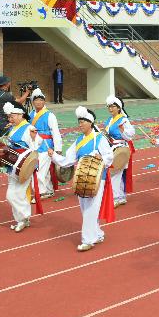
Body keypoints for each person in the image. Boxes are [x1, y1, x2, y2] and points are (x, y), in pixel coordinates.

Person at [49, 106, 115, 251]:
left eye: (83, 122)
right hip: (81, 178)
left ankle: (88, 240)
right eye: (79, 122)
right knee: (85, 208)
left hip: (97, 178)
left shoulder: (99, 138)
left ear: (90, 123)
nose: (80, 124)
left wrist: (101, 158)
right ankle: (97, 233)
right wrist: (53, 155)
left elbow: (110, 157)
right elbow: (68, 160)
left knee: (91, 208)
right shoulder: (78, 140)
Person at [3, 102, 40, 232]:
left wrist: (34, 139)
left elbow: (35, 148)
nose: (10, 119)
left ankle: (24, 217)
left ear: (21, 114)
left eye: (12, 116)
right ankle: (21, 220)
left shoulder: (29, 128)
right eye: (9, 117)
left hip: (24, 167)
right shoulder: (14, 127)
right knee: (16, 194)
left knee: (13, 195)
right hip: (12, 165)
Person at [29, 89, 62, 200]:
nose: (38, 102)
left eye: (41, 100)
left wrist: (58, 149)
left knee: (39, 170)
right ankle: (48, 190)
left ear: (44, 101)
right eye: (36, 100)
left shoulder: (49, 115)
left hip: (46, 146)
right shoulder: (31, 114)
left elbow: (55, 132)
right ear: (33, 102)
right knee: (45, 170)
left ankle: (41, 192)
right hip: (34, 145)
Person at [104, 95, 136, 207]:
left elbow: (131, 134)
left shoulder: (123, 119)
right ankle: (121, 196)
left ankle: (116, 197)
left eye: (113, 106)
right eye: (109, 106)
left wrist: (123, 130)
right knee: (117, 172)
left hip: (121, 149)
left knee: (115, 173)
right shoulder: (109, 120)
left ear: (118, 107)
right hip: (111, 148)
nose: (110, 109)